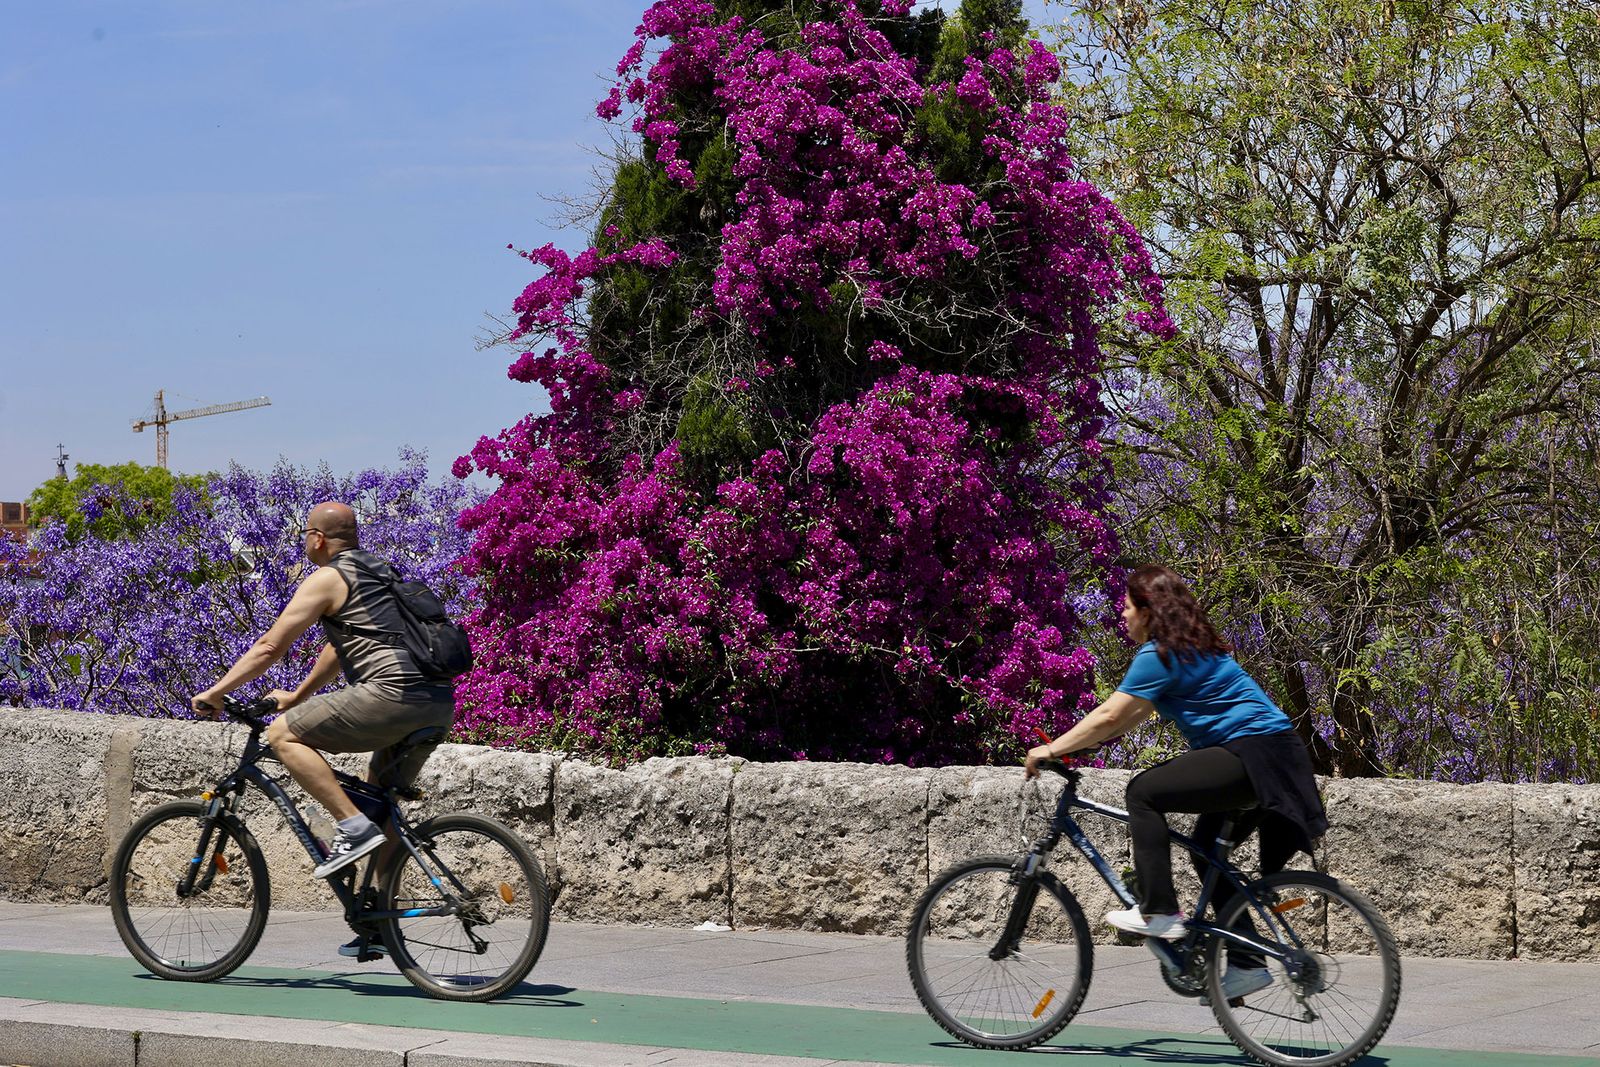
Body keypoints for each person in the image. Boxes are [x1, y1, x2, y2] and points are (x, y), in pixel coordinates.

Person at [1025, 564, 1327, 1001]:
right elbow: (1129, 716)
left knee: (1142, 792)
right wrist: (1081, 743)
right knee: (1207, 855)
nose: (1122, 616)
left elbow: (1110, 714)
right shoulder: (1192, 648)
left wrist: (1050, 749)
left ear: (1148, 611)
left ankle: (1159, 911)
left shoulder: (1159, 654)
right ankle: (1246, 964)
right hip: (1276, 756)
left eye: (1127, 607)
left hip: (1251, 754)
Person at [192, 501, 456, 956]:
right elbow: (342, 648)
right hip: (436, 703)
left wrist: (217, 691)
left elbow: (270, 645)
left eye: (305, 537)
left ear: (317, 538)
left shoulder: (327, 578)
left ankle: (350, 826)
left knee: (281, 735)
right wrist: (298, 696)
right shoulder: (381, 574)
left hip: (390, 696)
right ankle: (378, 918)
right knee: (383, 801)